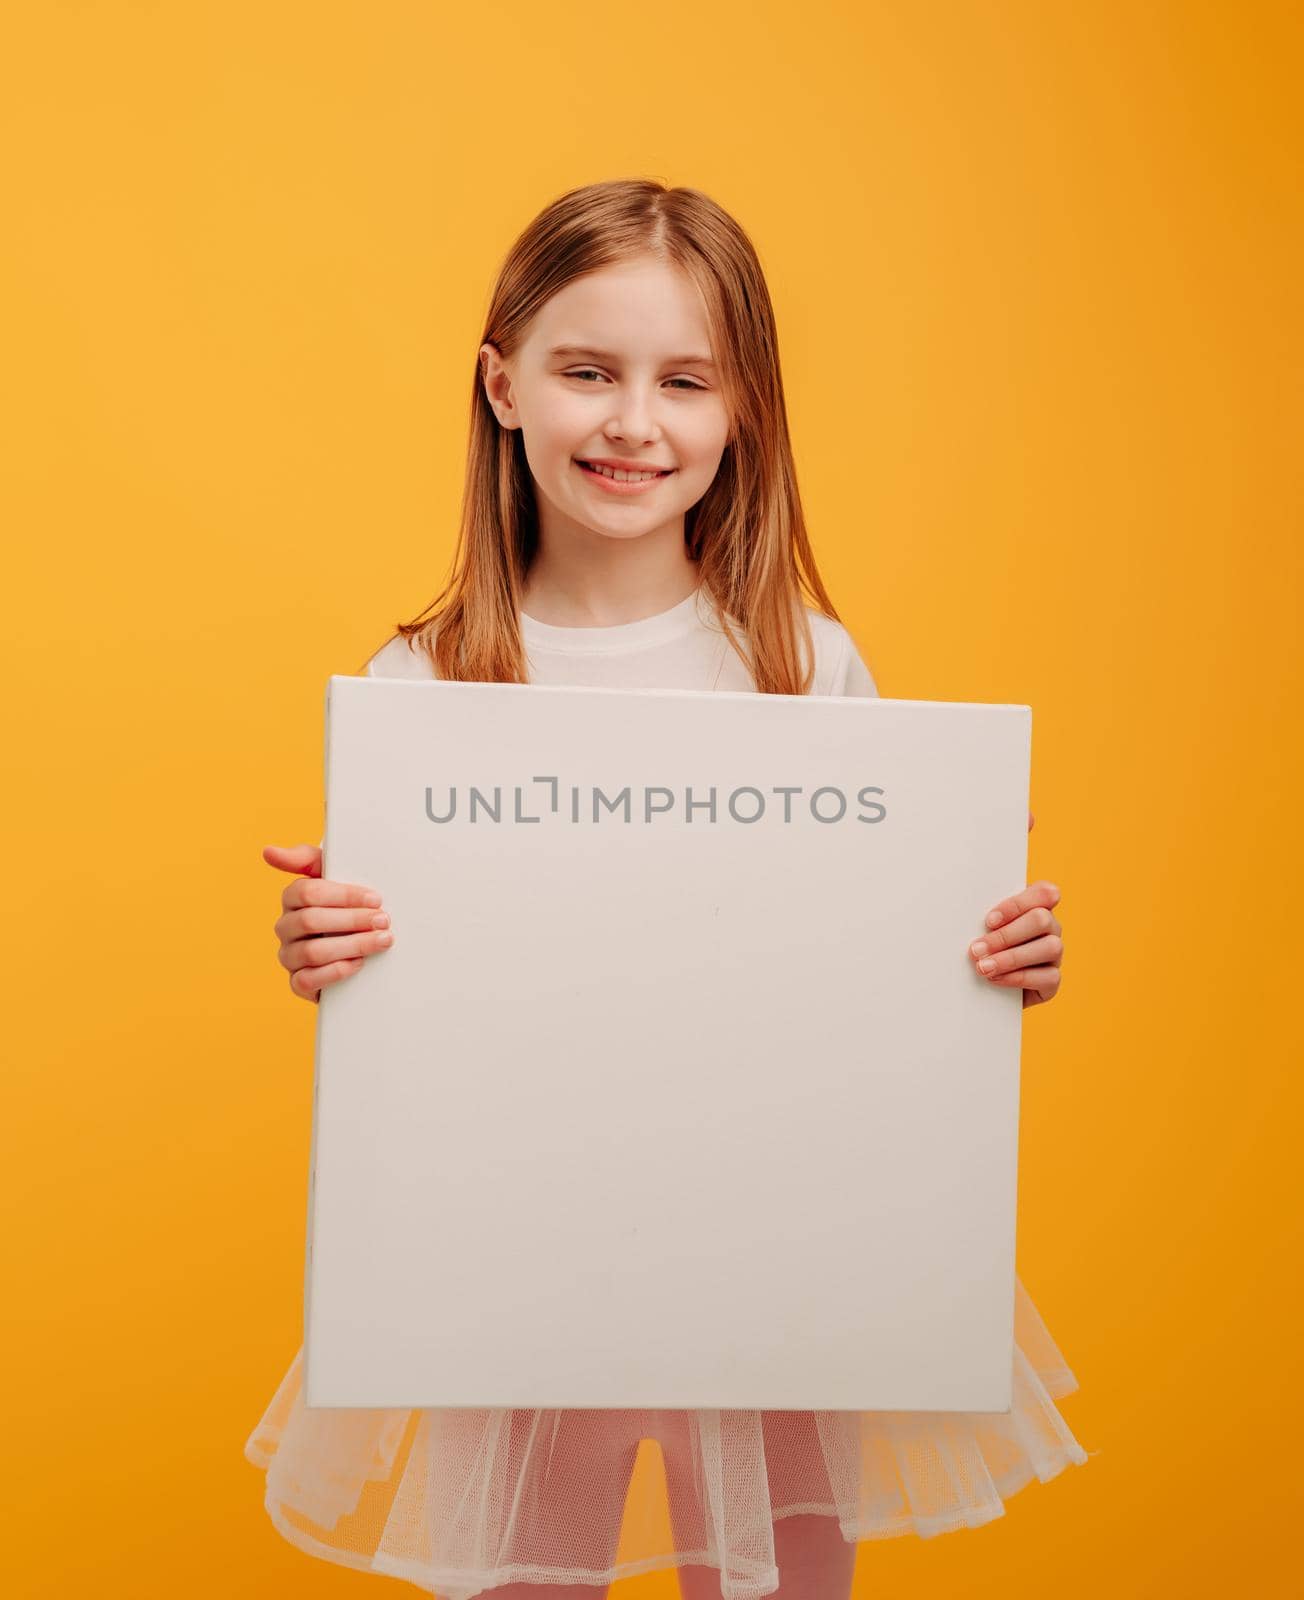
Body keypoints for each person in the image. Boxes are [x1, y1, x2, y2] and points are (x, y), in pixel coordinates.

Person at [247, 179, 1088, 1600]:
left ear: (742, 411)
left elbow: (884, 957)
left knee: (783, 1581)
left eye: (685, 381)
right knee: (532, 1574)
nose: (635, 422)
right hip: (525, 1241)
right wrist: (328, 938)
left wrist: (996, 948)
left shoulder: (806, 667)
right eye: (589, 372)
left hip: (781, 1232)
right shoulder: (422, 687)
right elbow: (400, 980)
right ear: (503, 387)